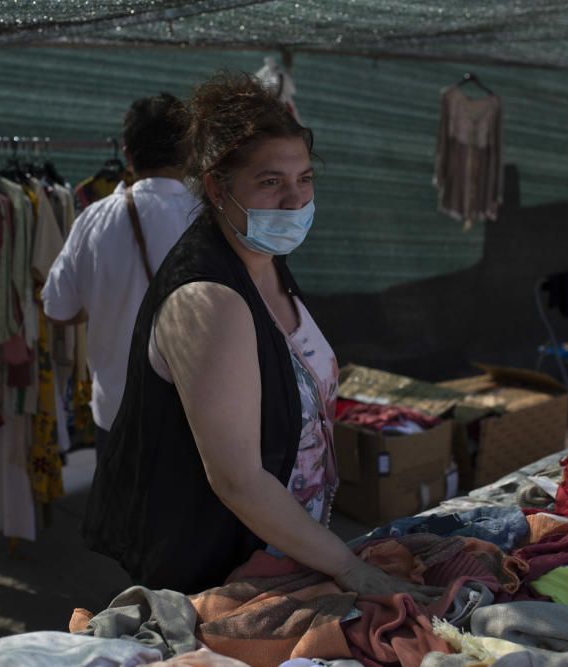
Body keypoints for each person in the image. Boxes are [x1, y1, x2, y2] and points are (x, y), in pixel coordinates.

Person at [82, 72, 442, 603]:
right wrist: (348, 568)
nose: (295, 199)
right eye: (271, 181)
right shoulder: (208, 299)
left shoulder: (266, 260)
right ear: (216, 187)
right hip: (220, 569)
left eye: (305, 178)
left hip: (286, 547)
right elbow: (238, 481)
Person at [42, 93, 197, 447]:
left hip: (116, 414)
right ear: (190, 151)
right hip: (194, 417)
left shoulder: (94, 219)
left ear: (127, 153)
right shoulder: (208, 218)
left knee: (122, 503)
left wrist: (107, 301)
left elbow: (57, 308)